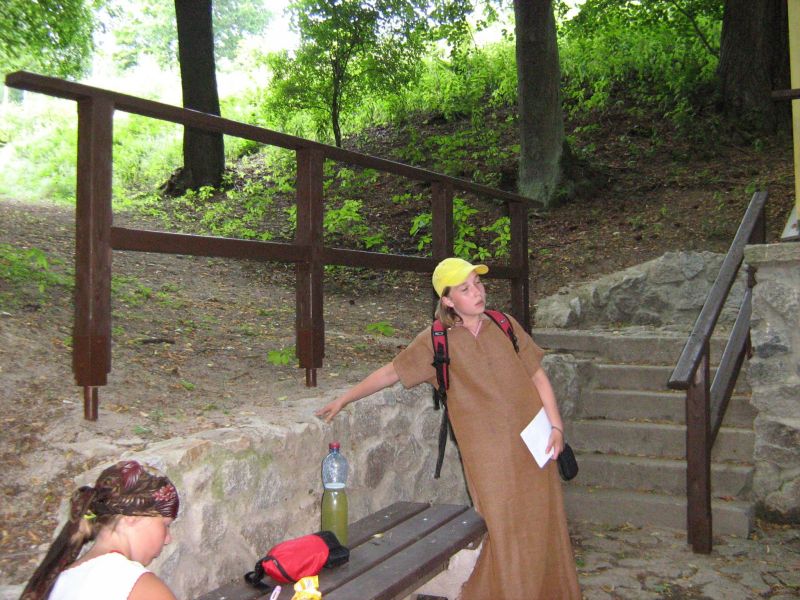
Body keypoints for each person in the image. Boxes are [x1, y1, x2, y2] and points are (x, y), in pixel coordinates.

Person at [316, 257, 581, 599]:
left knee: (545, 520)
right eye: (465, 288)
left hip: (536, 443)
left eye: (478, 284)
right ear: (448, 299)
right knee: (505, 528)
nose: (477, 292)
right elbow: (392, 372)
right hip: (488, 456)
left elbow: (538, 377)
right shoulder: (436, 340)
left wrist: (556, 427)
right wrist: (345, 399)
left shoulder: (504, 324)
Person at [21, 459, 180, 600]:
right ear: (132, 517)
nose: (168, 539)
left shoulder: (61, 580)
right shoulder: (136, 585)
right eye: (165, 525)